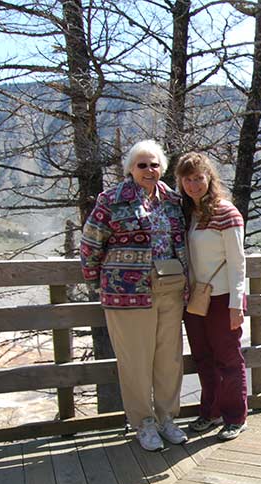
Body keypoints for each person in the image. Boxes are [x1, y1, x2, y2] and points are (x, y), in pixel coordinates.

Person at [81, 139, 189, 452]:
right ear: (131, 168)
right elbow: (90, 243)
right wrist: (96, 280)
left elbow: (180, 241)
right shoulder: (112, 199)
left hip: (170, 286)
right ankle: (144, 423)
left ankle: (167, 417)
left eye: (154, 164)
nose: (149, 170)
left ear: (162, 168)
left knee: (169, 358)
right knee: (136, 361)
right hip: (127, 292)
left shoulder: (172, 200)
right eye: (142, 164)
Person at [175, 152, 248, 441]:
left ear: (209, 179)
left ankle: (235, 417)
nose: (193, 184)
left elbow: (238, 261)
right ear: (181, 182)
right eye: (187, 179)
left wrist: (235, 305)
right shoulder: (188, 214)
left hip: (222, 297)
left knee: (228, 359)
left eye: (198, 178)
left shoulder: (226, 212)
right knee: (203, 358)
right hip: (196, 298)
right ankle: (211, 411)